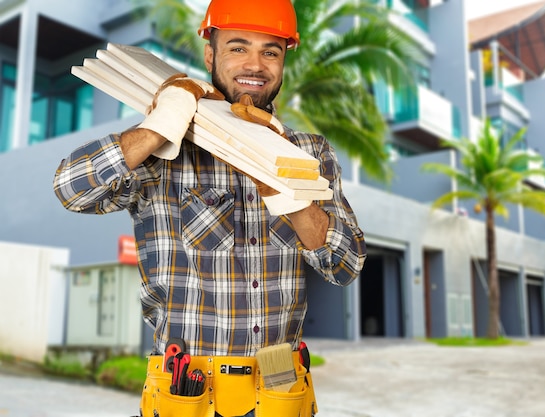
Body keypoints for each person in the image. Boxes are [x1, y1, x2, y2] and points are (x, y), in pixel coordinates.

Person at [53, 0, 366, 416]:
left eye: (270, 51)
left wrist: (292, 198)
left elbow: (345, 266)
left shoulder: (310, 153)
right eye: (238, 47)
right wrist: (158, 127)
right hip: (187, 392)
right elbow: (70, 188)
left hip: (279, 390)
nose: (255, 64)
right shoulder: (165, 154)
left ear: (283, 59)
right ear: (210, 54)